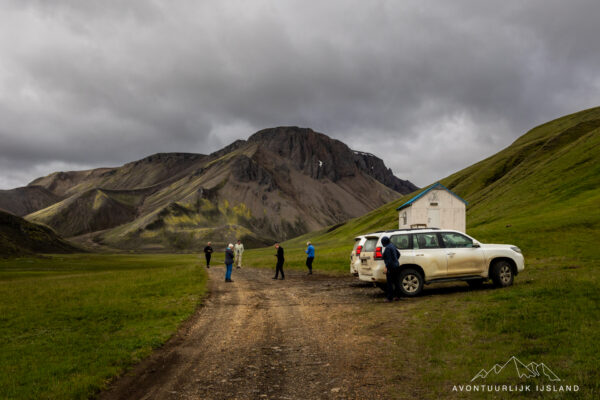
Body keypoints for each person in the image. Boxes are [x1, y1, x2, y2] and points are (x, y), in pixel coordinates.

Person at [381, 236, 401, 302]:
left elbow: (389, 260)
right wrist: (395, 260)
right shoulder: (392, 246)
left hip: (391, 267)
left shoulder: (387, 248)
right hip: (396, 266)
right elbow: (398, 254)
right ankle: (398, 296)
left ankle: (390, 298)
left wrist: (386, 267)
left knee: (389, 283)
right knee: (396, 282)